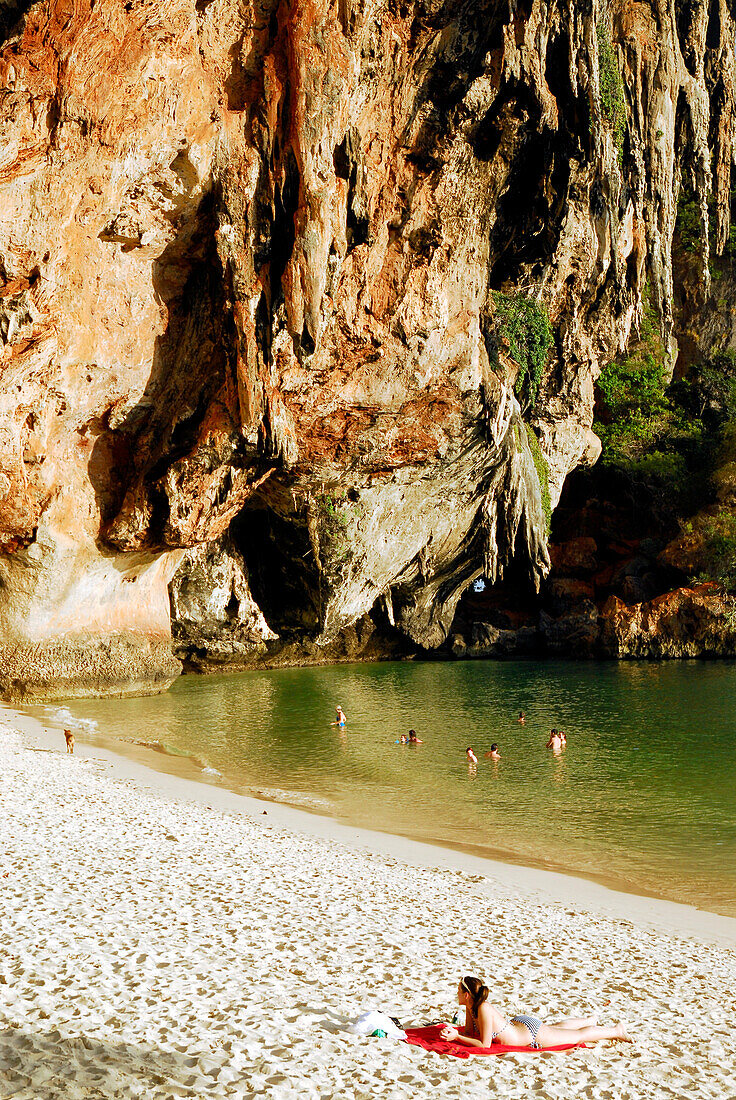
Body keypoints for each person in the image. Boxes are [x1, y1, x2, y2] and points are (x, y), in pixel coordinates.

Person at [440, 976, 631, 1049]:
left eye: (458, 991)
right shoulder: (471, 1006)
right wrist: (455, 1033)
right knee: (556, 1029)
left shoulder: (482, 1008)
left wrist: (456, 1037)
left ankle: (616, 1030)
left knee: (577, 1036)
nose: (456, 993)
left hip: (531, 1033)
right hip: (519, 1026)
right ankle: (590, 1019)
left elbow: (485, 1045)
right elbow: (467, 1032)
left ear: (466, 995)